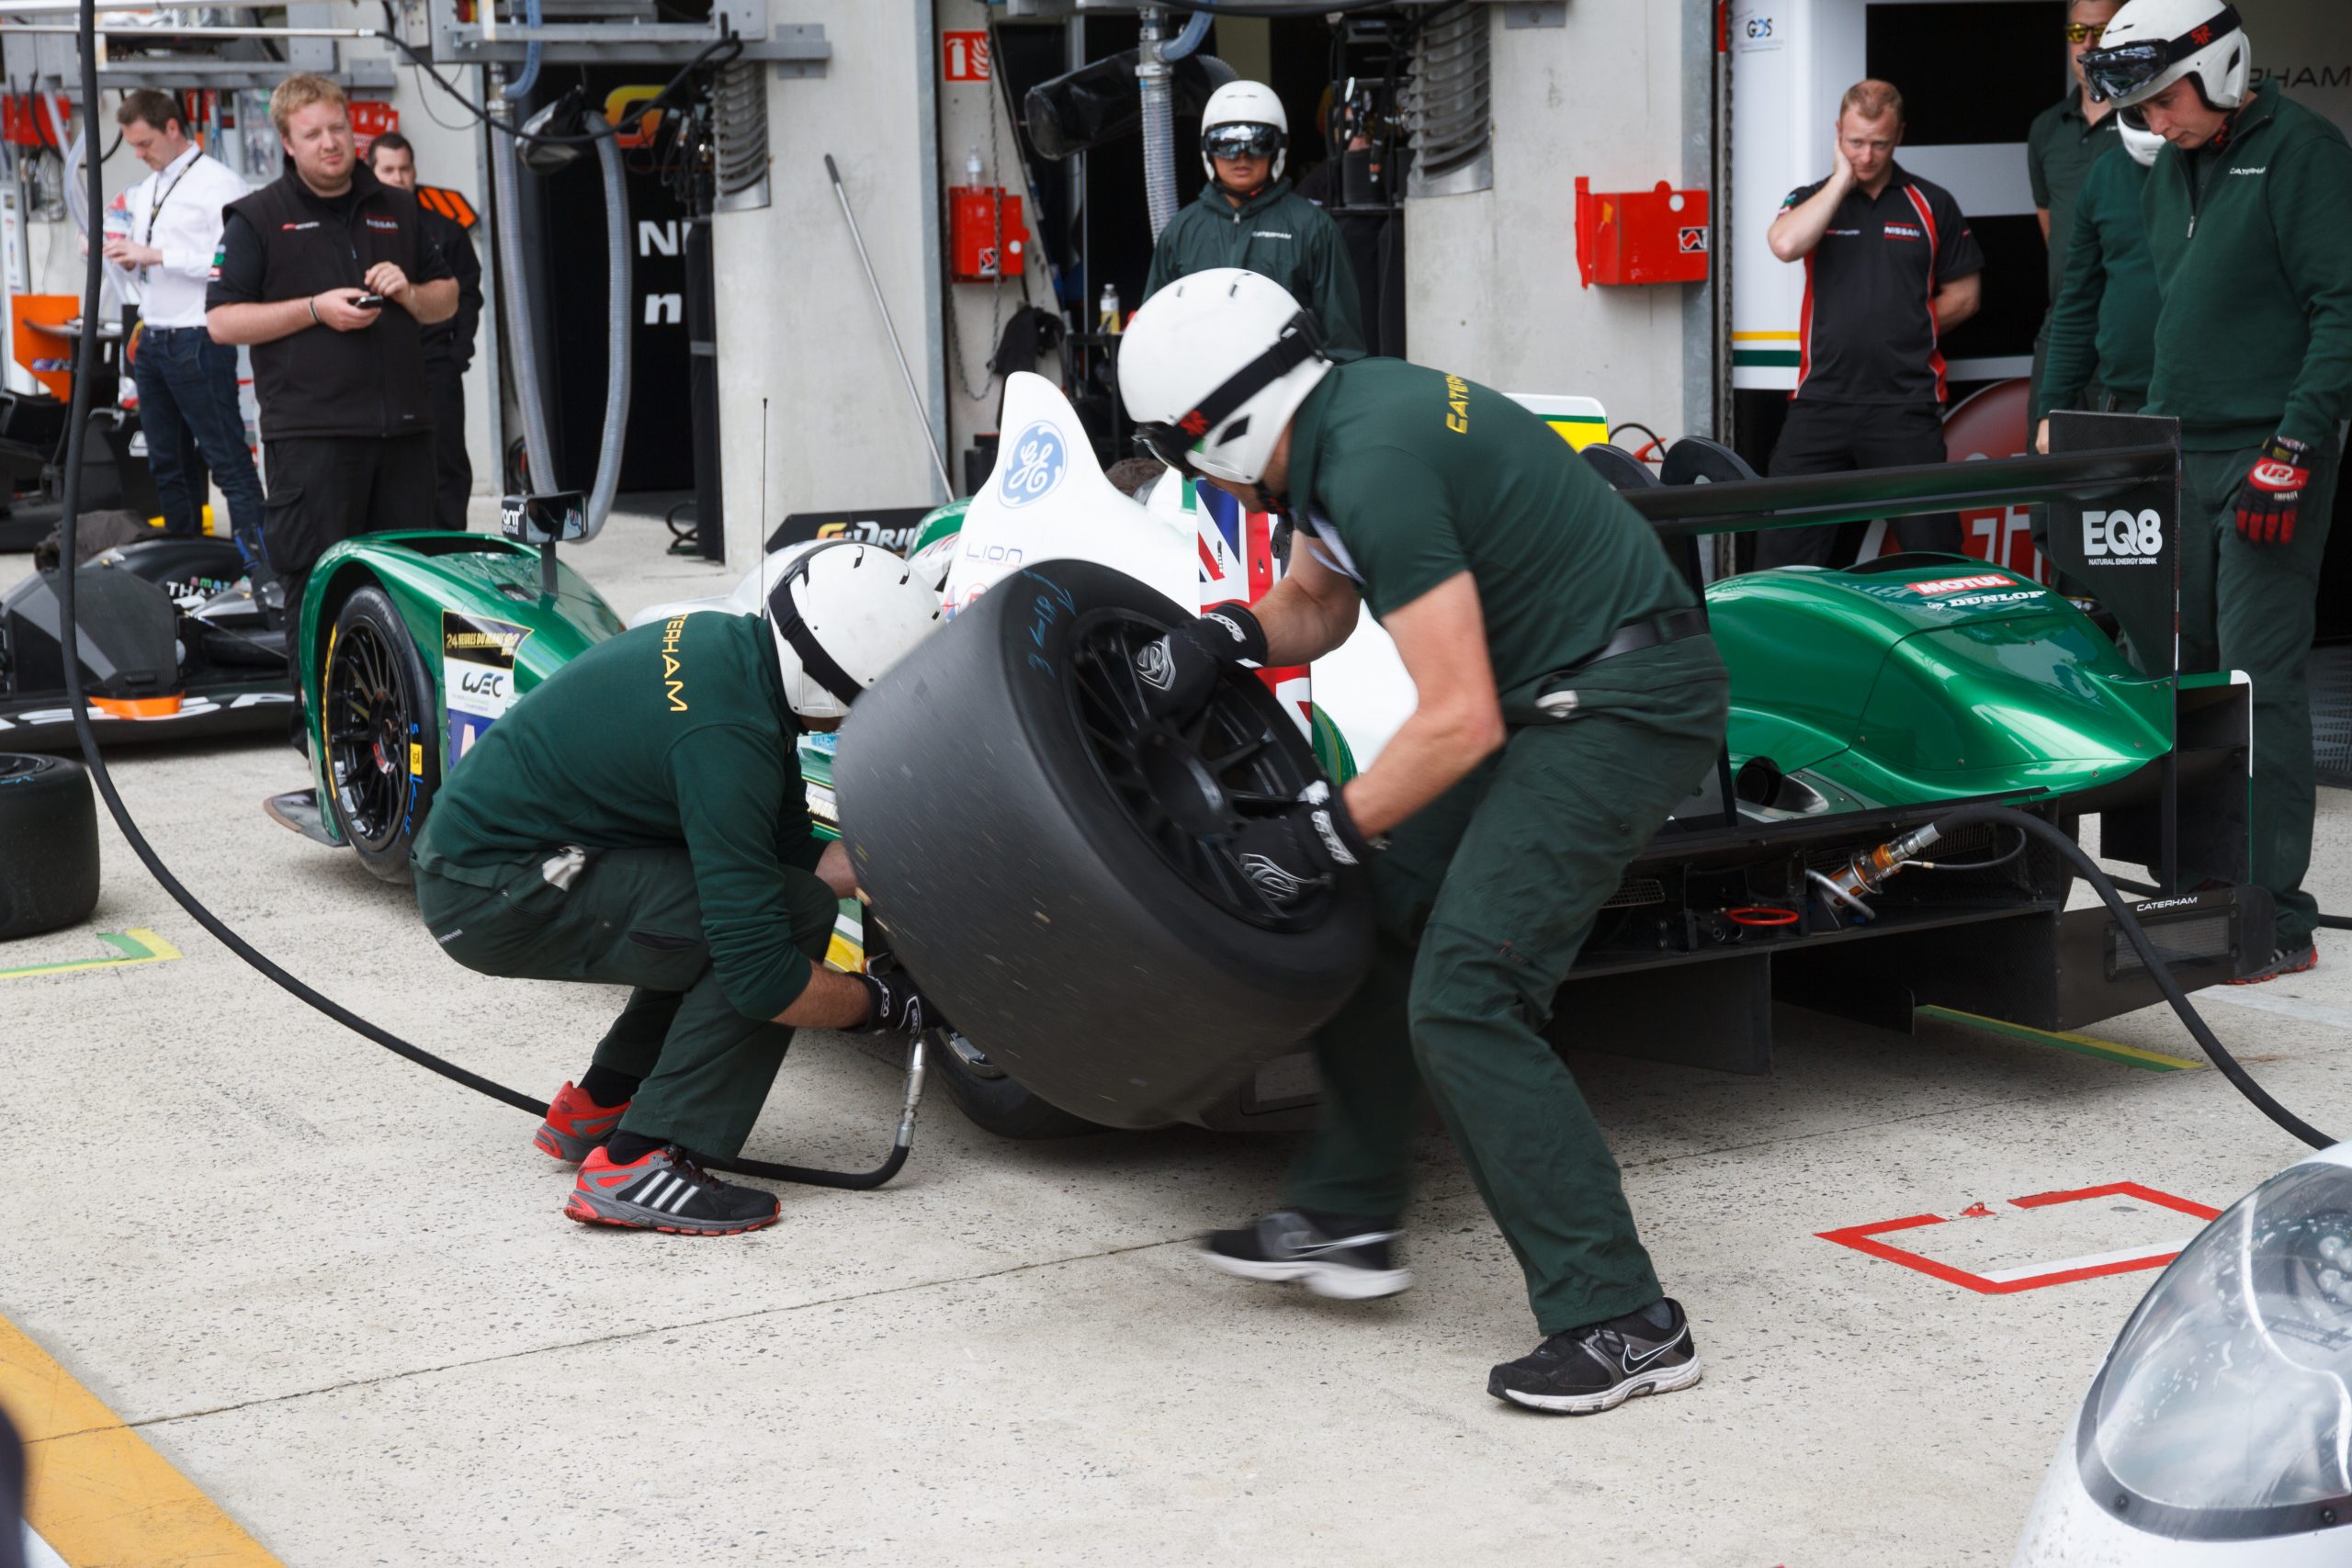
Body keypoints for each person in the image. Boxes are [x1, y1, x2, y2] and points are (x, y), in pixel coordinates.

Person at [1119, 268, 1729, 1414]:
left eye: (1176, 444)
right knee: (1377, 906)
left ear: (1216, 426)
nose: (1186, 467)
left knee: (1466, 997)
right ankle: (1347, 1217)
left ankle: (1623, 1320)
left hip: (1619, 706)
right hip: (1551, 693)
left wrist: (1319, 831)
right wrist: (1227, 636)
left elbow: (1454, 720)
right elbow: (1322, 604)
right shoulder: (1339, 425)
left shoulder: (1372, 461)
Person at [415, 543, 946, 1233]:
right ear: (831, 688)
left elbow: (783, 850)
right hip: (492, 892)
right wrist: (883, 1003)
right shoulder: (728, 738)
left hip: (501, 856)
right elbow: (761, 976)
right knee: (780, 922)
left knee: (763, 897)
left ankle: (607, 1102)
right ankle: (639, 1161)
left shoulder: (737, 657)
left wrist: (900, 857)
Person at [2085, 0, 2352, 982]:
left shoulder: (2304, 155)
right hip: (2177, 450)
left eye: (2165, 100)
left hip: (2268, 454)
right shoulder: (2171, 164)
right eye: (2142, 107)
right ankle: (2197, 884)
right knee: (2185, 672)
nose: (2156, 121)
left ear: (2220, 66)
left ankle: (2276, 913)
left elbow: (2342, 309)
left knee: (2254, 680)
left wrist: (2296, 442)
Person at [204, 73, 456, 621]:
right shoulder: (258, 218)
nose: (330, 142)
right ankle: (312, 710)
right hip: (313, 442)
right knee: (319, 591)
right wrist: (315, 309)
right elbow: (222, 321)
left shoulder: (399, 207)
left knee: (409, 593)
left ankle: (406, 708)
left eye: (337, 128)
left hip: (404, 438)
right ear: (288, 144)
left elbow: (448, 299)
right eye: (312, 133)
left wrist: (408, 292)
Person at [1757, 80, 1984, 569]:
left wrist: (1904, 328)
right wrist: (1840, 181)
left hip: (1905, 405)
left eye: (1879, 144)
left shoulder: (1931, 203)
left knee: (1936, 555)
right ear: (1838, 133)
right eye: (1855, 142)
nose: (1866, 155)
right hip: (1820, 402)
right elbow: (1783, 244)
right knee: (1783, 553)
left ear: (1899, 135)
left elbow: (1965, 298)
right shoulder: (1812, 198)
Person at [104, 90, 266, 564]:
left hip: (197, 335)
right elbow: (143, 250)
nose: (139, 154)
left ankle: (260, 568)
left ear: (173, 129)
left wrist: (156, 255)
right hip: (154, 334)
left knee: (226, 460)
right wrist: (115, 251)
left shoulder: (219, 185)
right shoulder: (151, 185)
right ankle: (184, 566)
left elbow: (235, 261)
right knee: (166, 463)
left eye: (145, 143)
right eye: (133, 145)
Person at [1143, 81, 1364, 358]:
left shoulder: (1312, 227)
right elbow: (1153, 331)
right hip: (1201, 389)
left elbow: (1342, 341)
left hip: (1294, 391)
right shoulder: (1181, 231)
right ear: (1207, 149)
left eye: (1259, 143)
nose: (1241, 157)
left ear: (1279, 147)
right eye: (1226, 144)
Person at [364, 132, 481, 532]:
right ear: (371, 172)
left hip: (436, 365)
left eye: (405, 168)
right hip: (377, 368)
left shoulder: (443, 229)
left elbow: (468, 295)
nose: (398, 177)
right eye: (388, 170)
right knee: (388, 468)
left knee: (447, 464)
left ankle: (451, 552)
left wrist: (457, 355)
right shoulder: (360, 230)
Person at [2033, 113, 2165, 451]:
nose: (2158, 115)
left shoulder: (2241, 164)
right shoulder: (2106, 174)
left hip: (2221, 414)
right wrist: (2052, 409)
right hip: (2127, 405)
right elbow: (2078, 302)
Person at [2027, 0, 2126, 401]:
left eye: (2100, 32)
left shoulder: (2153, 122)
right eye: (2075, 32)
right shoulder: (2046, 128)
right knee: (2045, 455)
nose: (2086, 45)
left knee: (2126, 463)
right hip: (2063, 325)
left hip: (2129, 329)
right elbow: (2053, 230)